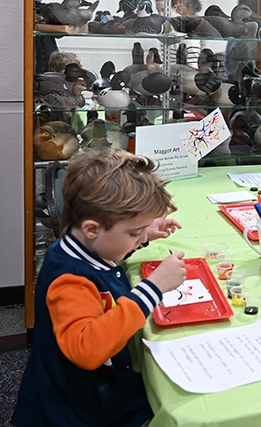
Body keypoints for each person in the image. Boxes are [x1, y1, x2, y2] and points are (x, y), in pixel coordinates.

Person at [12, 148, 187, 427]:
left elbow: (106, 254)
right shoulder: (70, 280)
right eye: (133, 232)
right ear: (92, 228)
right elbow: (87, 349)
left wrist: (143, 233)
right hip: (76, 408)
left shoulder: (80, 244)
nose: (140, 237)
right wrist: (152, 289)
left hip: (96, 390)